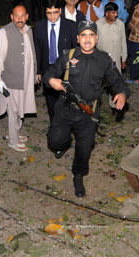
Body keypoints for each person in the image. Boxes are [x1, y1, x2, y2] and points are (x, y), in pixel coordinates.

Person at [45, 20, 129, 197]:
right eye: (84, 35)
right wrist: (52, 81)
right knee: (55, 141)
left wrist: (121, 93)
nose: (88, 39)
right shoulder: (68, 55)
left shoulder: (104, 59)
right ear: (78, 38)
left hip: (88, 112)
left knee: (84, 147)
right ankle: (63, 143)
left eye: (91, 35)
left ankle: (78, 175)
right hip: (65, 108)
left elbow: (117, 80)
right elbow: (49, 74)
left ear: (96, 38)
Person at [0, 5, 39, 152]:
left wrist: (36, 72)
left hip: (26, 77)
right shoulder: (4, 32)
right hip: (11, 78)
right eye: (16, 16)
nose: (19, 19)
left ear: (27, 16)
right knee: (13, 111)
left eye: (22, 16)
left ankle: (16, 134)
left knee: (20, 108)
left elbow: (32, 52)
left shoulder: (29, 30)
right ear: (11, 17)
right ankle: (12, 140)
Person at [33, 0, 77, 120]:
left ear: (60, 11)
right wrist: (38, 71)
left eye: (55, 12)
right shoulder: (39, 27)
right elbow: (37, 50)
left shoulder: (70, 26)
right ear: (45, 12)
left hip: (66, 69)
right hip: (48, 70)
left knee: (66, 101)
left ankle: (65, 125)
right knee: (51, 102)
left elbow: (76, 49)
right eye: (49, 13)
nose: (52, 16)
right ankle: (55, 126)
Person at [96, 2, 128, 121]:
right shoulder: (98, 24)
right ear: (106, 13)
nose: (116, 15)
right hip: (101, 61)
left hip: (115, 59)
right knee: (98, 84)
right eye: (113, 12)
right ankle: (95, 106)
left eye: (116, 12)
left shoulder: (120, 25)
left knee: (115, 84)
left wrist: (123, 58)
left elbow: (123, 42)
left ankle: (114, 106)